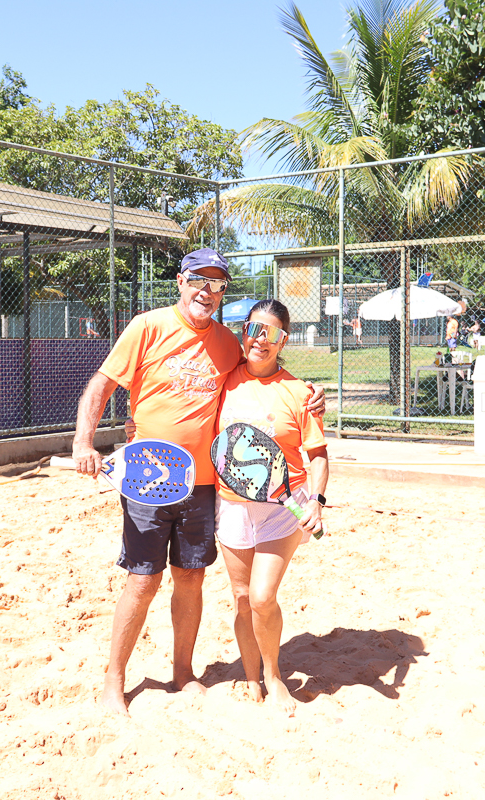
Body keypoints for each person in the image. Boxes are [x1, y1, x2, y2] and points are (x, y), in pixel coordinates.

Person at [70, 248, 324, 716]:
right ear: (181, 282)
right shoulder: (147, 326)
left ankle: (183, 672)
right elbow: (102, 384)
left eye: (217, 284)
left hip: (204, 485)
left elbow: (261, 375)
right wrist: (84, 441)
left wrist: (311, 394)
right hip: (148, 479)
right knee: (142, 581)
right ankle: (114, 680)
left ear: (223, 292)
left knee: (190, 578)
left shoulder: (229, 343)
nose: (207, 291)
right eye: (198, 280)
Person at [214, 300, 328, 716]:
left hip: (283, 507)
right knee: (243, 598)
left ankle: (274, 675)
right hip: (231, 506)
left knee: (263, 597)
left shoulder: (300, 393)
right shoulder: (223, 380)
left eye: (272, 333)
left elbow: (318, 455)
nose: (261, 339)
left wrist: (317, 501)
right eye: (254, 329)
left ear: (284, 341)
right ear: (243, 332)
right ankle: (251, 675)